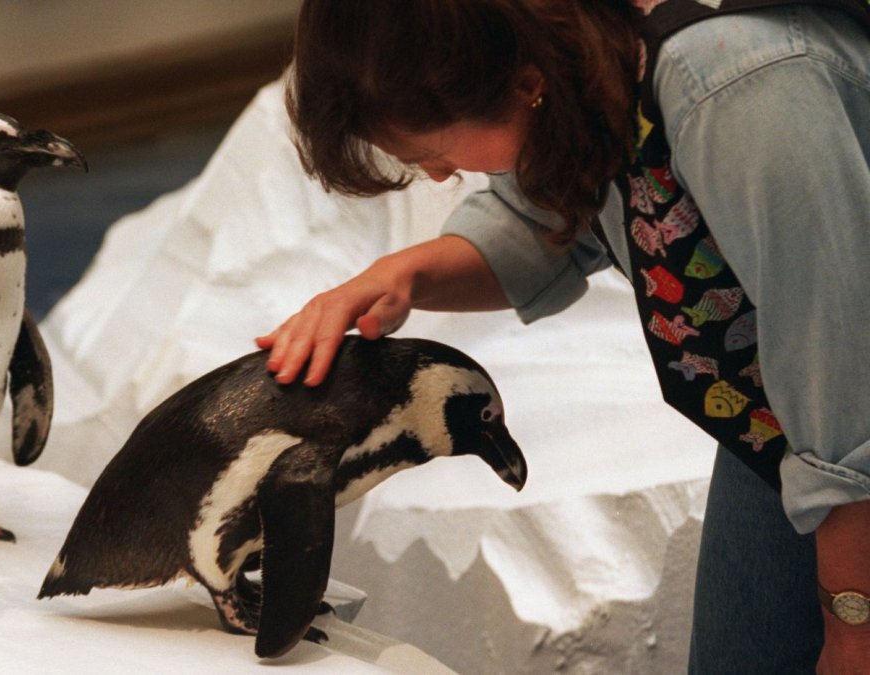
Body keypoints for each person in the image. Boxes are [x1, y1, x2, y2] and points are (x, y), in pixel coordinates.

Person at [255, 1, 870, 673]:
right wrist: (399, 277)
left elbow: (849, 394)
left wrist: (853, 624)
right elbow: (546, 213)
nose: (437, 176)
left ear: (522, 84)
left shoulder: (730, 85)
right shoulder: (586, 59)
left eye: (436, 152)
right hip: (786, 422)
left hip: (846, 432)